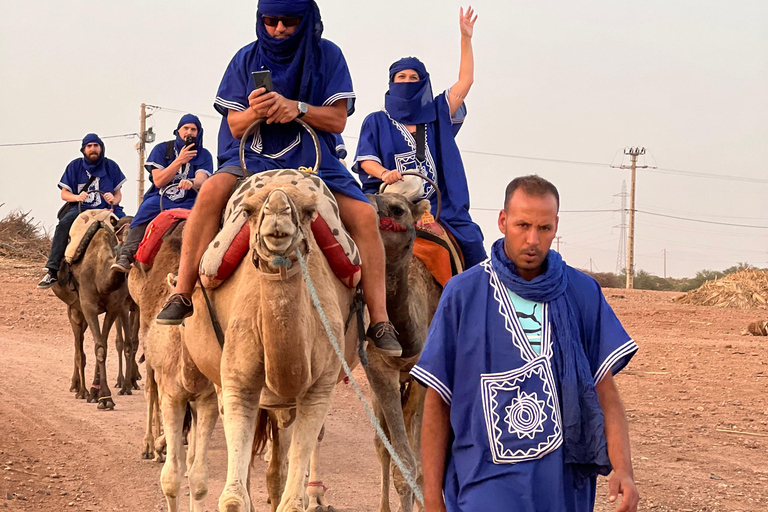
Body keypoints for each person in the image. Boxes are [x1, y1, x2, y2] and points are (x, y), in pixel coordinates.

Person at [155, 0, 403, 356]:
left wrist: (297, 108)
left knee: (365, 215)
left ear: (305, 20)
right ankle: (181, 292)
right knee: (209, 193)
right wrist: (255, 111)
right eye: (270, 21)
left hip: (315, 160)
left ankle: (379, 320)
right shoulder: (245, 58)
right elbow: (234, 125)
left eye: (288, 21)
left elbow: (337, 121)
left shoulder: (328, 56)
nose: (279, 29)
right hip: (251, 159)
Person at [412, 175, 640, 512]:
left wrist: (623, 468)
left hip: (561, 485)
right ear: (503, 221)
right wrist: (432, 497)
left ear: (556, 226)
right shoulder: (464, 294)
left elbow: (604, 391)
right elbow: (438, 401)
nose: (532, 239)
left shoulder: (582, 292)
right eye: (522, 225)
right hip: (484, 480)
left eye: (544, 228)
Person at [352, 6, 486, 268]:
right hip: (389, 203)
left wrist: (465, 38)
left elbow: (466, 81)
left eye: (414, 77)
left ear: (423, 83)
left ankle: (476, 303)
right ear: (391, 82)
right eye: (401, 77)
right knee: (351, 247)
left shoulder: (438, 112)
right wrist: (384, 174)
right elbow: (366, 160)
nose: (407, 81)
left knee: (471, 243)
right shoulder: (377, 121)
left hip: (438, 208)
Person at [111, 114, 212, 272]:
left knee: (210, 217)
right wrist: (179, 160)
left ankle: (205, 261)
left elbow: (202, 179)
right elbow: (158, 181)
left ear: (199, 133)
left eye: (194, 129)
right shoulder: (162, 149)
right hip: (161, 197)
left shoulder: (204, 154)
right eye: (186, 128)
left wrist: (191, 182)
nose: (189, 132)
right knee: (145, 210)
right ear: (178, 131)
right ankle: (126, 256)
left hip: (190, 199)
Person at [37, 134, 127, 289]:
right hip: (81, 210)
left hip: (107, 209)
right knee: (63, 225)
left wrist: (113, 198)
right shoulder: (75, 166)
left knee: (129, 227)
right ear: (84, 149)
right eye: (89, 146)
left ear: (101, 148)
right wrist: (77, 197)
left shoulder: (111, 166)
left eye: (96, 146)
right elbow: (64, 194)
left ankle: (132, 269)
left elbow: (118, 195)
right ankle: (52, 270)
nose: (93, 149)